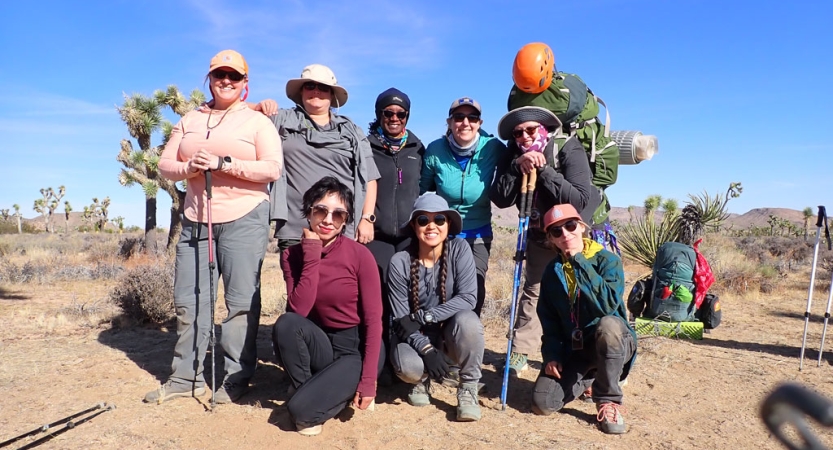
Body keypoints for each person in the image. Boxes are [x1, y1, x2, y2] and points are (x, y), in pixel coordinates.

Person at [146, 49, 283, 404]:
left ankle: (236, 377)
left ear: (244, 84)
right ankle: (184, 378)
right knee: (189, 301)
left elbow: (271, 169)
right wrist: (190, 167)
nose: (226, 81)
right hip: (195, 219)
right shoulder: (190, 118)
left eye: (234, 77)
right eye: (219, 75)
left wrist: (226, 163)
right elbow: (164, 164)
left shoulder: (257, 123)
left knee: (239, 302)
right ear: (209, 79)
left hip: (244, 217)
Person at [490, 106, 601, 376]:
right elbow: (501, 197)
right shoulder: (514, 154)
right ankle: (521, 351)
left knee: (583, 291)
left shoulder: (567, 148)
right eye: (518, 132)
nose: (524, 136)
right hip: (540, 235)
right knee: (534, 290)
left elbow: (578, 199)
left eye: (530, 130)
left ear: (543, 128)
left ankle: (595, 356)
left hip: (572, 233)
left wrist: (545, 169)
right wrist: (517, 167)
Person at [272, 176, 383, 437]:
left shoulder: (360, 256)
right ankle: (310, 389)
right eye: (320, 210)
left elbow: (374, 321)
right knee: (286, 323)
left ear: (346, 220)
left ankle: (318, 395)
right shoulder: (292, 256)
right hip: (320, 344)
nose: (328, 220)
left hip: (353, 350)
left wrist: (368, 382)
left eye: (338, 214)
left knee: (300, 414)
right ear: (308, 212)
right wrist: (311, 254)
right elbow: (298, 310)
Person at [532, 203, 636, 435]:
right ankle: (589, 379)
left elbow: (607, 304)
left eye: (570, 226)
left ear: (581, 227)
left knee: (608, 325)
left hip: (614, 341)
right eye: (557, 231)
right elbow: (549, 320)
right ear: (551, 238)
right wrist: (552, 355)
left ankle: (608, 400)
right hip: (577, 348)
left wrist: (578, 261)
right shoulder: (553, 271)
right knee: (543, 403)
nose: (565, 234)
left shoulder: (608, 261)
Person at [387, 193, 485, 422]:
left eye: (439, 219)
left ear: (448, 223)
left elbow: (469, 298)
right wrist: (427, 351)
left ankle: (468, 386)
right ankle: (422, 379)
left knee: (469, 322)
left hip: (448, 332)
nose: (431, 226)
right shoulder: (399, 262)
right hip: (415, 337)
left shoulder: (460, 250)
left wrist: (425, 316)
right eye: (423, 220)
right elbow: (402, 321)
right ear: (414, 226)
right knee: (408, 367)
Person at [265, 64, 380, 250]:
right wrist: (259, 106)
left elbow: (370, 178)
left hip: (341, 228)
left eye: (323, 87)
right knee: (300, 280)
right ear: (301, 91)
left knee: (338, 280)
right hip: (297, 228)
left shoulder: (352, 131)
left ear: (332, 95)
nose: (316, 91)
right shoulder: (282, 120)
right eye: (310, 86)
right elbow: (237, 111)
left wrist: (367, 218)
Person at [420, 97, 507, 316]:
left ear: (480, 122)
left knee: (474, 288)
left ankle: (469, 334)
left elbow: (514, 161)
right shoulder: (435, 150)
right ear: (449, 122)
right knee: (443, 288)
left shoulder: (493, 148)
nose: (465, 123)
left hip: (478, 233)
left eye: (472, 117)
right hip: (444, 233)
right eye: (459, 117)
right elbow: (421, 189)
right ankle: (439, 338)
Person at [364, 88, 425, 382]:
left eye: (400, 114)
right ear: (379, 115)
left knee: (408, 299)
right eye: (388, 113)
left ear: (408, 116)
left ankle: (404, 360)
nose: (394, 118)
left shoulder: (417, 148)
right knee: (379, 299)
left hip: (408, 238)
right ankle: (379, 363)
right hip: (376, 236)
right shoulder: (366, 147)